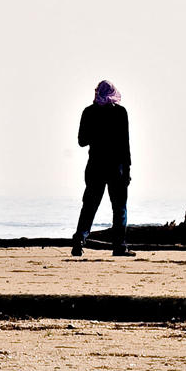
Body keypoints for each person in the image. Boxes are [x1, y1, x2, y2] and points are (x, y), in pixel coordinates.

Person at [72, 80, 133, 257]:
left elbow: (81, 141)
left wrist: (96, 133)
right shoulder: (120, 112)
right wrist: (127, 170)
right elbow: (125, 145)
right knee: (119, 208)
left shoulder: (89, 112)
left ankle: (79, 239)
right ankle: (119, 246)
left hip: (95, 166)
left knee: (89, 206)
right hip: (116, 167)